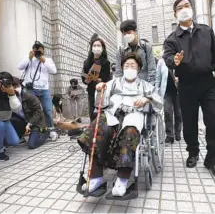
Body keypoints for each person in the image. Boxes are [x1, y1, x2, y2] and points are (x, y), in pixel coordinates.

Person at [77, 52, 163, 197]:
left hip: (133, 115)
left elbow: (159, 100)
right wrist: (100, 90)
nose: (129, 68)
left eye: (133, 65)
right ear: (122, 68)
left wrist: (146, 99)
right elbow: (101, 103)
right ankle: (96, 177)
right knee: (97, 127)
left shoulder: (145, 85)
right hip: (113, 115)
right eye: (127, 65)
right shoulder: (114, 83)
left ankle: (122, 181)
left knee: (130, 132)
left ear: (139, 68)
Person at [163, 0, 215, 179]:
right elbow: (168, 58)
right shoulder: (172, 39)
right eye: (180, 7)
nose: (184, 9)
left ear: (192, 8)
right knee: (189, 123)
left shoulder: (206, 31)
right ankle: (193, 152)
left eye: (187, 5)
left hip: (208, 83)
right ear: (175, 13)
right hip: (186, 84)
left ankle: (213, 160)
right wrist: (174, 61)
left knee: (214, 121)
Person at [17, 41, 58, 141]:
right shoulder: (28, 58)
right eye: (36, 50)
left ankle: (51, 130)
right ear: (33, 50)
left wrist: (43, 60)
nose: (38, 52)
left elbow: (54, 71)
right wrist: (29, 58)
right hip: (31, 89)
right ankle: (28, 131)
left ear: (43, 50)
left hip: (44, 89)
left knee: (48, 110)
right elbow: (20, 67)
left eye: (40, 50)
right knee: (29, 110)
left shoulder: (47, 60)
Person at [10, 77, 50, 149]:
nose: (15, 89)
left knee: (32, 145)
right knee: (11, 120)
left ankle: (46, 133)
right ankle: (19, 136)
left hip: (36, 122)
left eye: (16, 86)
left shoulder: (29, 96)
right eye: (13, 87)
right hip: (23, 121)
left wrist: (29, 123)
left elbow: (38, 112)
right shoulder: (10, 97)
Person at [114, 20, 156, 85]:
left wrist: (150, 87)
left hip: (144, 85)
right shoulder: (121, 51)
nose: (127, 35)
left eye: (129, 32)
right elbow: (118, 72)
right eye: (124, 34)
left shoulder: (146, 47)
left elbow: (152, 70)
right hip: (127, 87)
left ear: (136, 31)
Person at [81, 38, 111, 121]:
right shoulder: (86, 62)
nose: (96, 47)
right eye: (94, 45)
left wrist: (99, 80)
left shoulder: (106, 62)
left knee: (101, 115)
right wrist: (87, 80)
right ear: (91, 48)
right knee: (92, 115)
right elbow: (83, 76)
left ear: (102, 48)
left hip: (102, 93)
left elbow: (107, 78)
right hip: (91, 92)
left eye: (98, 45)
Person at [156, 57, 182, 143]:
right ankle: (169, 135)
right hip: (166, 91)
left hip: (178, 91)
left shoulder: (179, 58)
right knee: (167, 112)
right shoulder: (161, 61)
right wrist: (156, 90)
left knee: (178, 113)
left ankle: (178, 132)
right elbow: (158, 77)